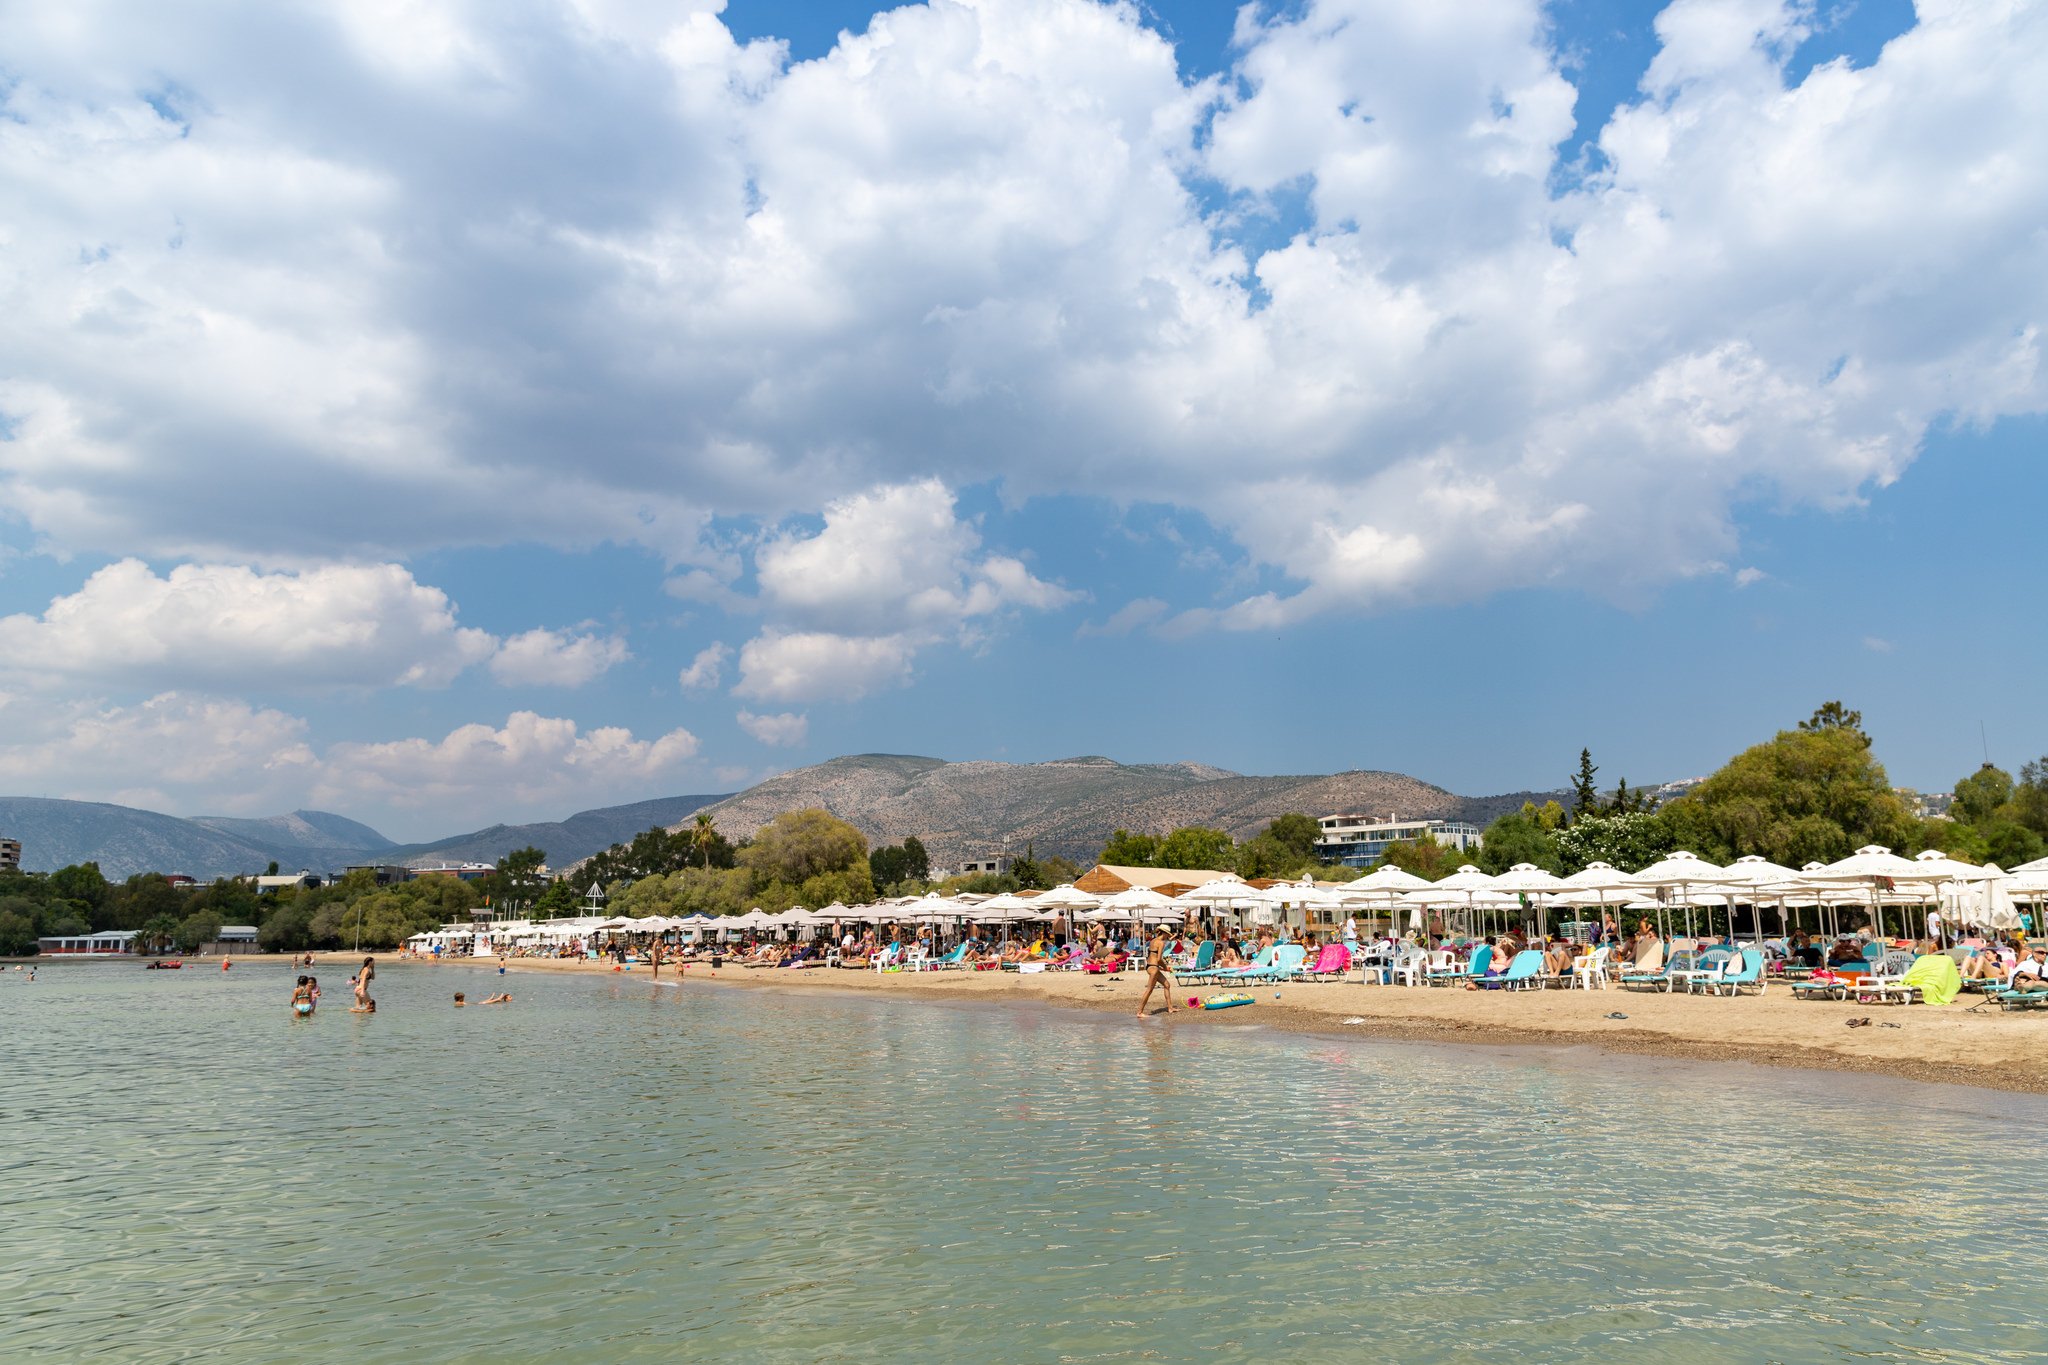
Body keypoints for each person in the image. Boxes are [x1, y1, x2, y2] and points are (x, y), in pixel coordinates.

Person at [1136, 923, 1177, 1017]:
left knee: (1167, 985)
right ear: (1165, 933)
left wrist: (1163, 968)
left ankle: (1170, 1008)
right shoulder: (1161, 943)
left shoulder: (1153, 941)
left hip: (1150, 966)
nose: (1168, 936)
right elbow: (1159, 959)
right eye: (1168, 934)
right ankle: (1139, 1012)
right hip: (1154, 968)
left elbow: (1153, 957)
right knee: (1149, 990)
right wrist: (1166, 967)